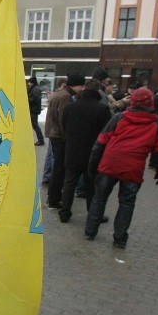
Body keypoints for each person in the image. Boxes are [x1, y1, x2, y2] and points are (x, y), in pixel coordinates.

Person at [84, 88, 158, 248]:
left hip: (110, 163)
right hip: (133, 168)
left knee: (99, 198)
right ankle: (120, 237)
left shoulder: (119, 117)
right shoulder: (157, 123)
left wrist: (93, 166)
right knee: (127, 203)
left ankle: (90, 231)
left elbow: (100, 142)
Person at [58, 79, 112, 223]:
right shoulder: (102, 109)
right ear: (97, 91)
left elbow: (64, 126)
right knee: (91, 186)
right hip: (92, 153)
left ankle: (64, 212)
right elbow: (106, 133)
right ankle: (93, 214)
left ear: (84, 89)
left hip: (72, 151)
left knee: (69, 183)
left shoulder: (71, 107)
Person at [44, 72, 85, 209]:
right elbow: (63, 118)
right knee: (60, 168)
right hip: (60, 136)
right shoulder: (66, 97)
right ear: (77, 85)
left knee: (58, 167)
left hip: (54, 133)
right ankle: (54, 198)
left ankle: (52, 196)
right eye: (82, 86)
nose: (82, 89)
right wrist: (68, 133)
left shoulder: (59, 93)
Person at [27, 75, 45, 145]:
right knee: (34, 125)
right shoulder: (34, 88)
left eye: (29, 82)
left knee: (35, 125)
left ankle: (41, 140)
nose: (28, 83)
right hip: (33, 109)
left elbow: (34, 99)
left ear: (32, 82)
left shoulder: (35, 89)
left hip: (33, 110)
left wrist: (27, 100)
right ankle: (40, 140)